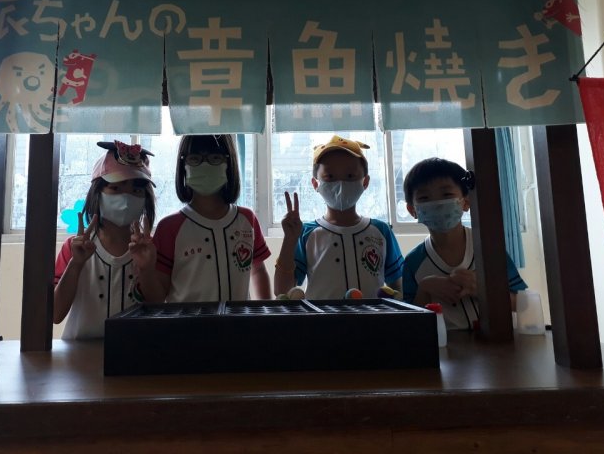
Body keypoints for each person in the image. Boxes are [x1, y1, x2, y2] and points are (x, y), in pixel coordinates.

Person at [131, 134, 272, 303]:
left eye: (215, 158)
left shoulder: (247, 219)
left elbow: (258, 271)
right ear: (183, 165)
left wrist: (266, 313)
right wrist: (146, 270)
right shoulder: (169, 227)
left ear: (229, 163)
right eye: (195, 158)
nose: (205, 165)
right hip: (187, 321)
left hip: (239, 320)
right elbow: (157, 298)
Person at [401, 157, 528, 331]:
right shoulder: (413, 263)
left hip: (499, 343)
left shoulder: (489, 248)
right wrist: (424, 288)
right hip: (447, 347)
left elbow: (523, 304)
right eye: (424, 198)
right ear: (412, 210)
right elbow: (409, 323)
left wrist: (482, 288)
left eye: (446, 195)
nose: (436, 204)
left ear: (466, 202)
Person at [274, 135, 404, 300]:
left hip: (374, 318)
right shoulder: (306, 233)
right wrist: (289, 240)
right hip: (321, 317)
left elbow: (398, 288)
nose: (341, 183)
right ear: (315, 184)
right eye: (330, 176)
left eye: (350, 176)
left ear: (365, 182)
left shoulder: (381, 230)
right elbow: (281, 290)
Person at [53, 140, 158, 339]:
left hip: (135, 351)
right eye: (115, 188)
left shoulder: (149, 249)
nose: (126, 198)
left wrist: (146, 270)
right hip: (79, 353)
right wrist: (76, 264)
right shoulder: (74, 247)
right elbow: (55, 314)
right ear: (97, 193)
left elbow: (157, 308)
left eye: (136, 191)